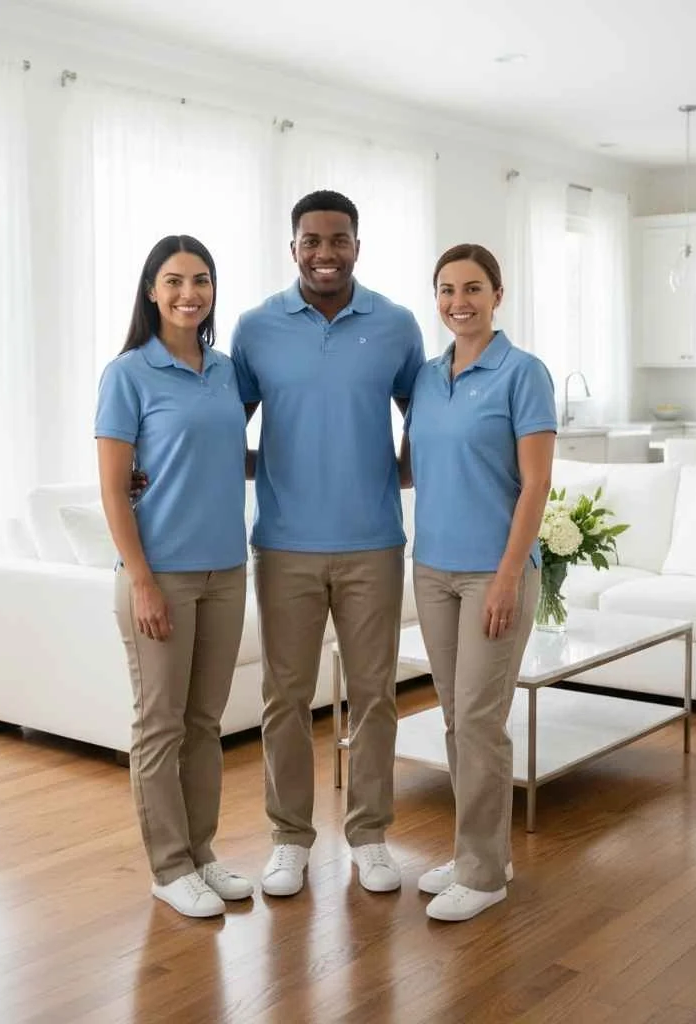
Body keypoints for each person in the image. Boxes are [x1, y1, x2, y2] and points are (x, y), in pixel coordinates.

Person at [231, 190, 426, 897]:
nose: (324, 252)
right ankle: (289, 839)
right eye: (311, 240)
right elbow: (227, 424)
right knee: (285, 697)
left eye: (337, 239)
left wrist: (399, 472)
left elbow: (427, 416)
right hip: (282, 546)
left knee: (374, 694)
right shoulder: (255, 329)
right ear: (293, 249)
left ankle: (370, 836)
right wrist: (264, 464)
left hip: (374, 543)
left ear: (357, 246)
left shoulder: (399, 325)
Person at [96, 235, 254, 918]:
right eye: (174, 281)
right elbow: (111, 489)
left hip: (228, 568)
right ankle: (169, 866)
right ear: (152, 291)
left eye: (201, 280)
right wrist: (143, 582)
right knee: (159, 724)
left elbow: (220, 453)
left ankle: (202, 851)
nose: (189, 293)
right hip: (160, 575)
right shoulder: (127, 374)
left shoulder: (225, 372)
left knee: (203, 722)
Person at [400, 243, 556, 922]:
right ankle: (478, 851)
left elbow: (536, 483)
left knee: (481, 721)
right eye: (445, 290)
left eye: (471, 289)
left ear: (498, 294)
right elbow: (409, 469)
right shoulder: (429, 378)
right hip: (431, 568)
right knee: (458, 720)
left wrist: (507, 577)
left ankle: (484, 874)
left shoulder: (524, 373)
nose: (458, 302)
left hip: (495, 571)